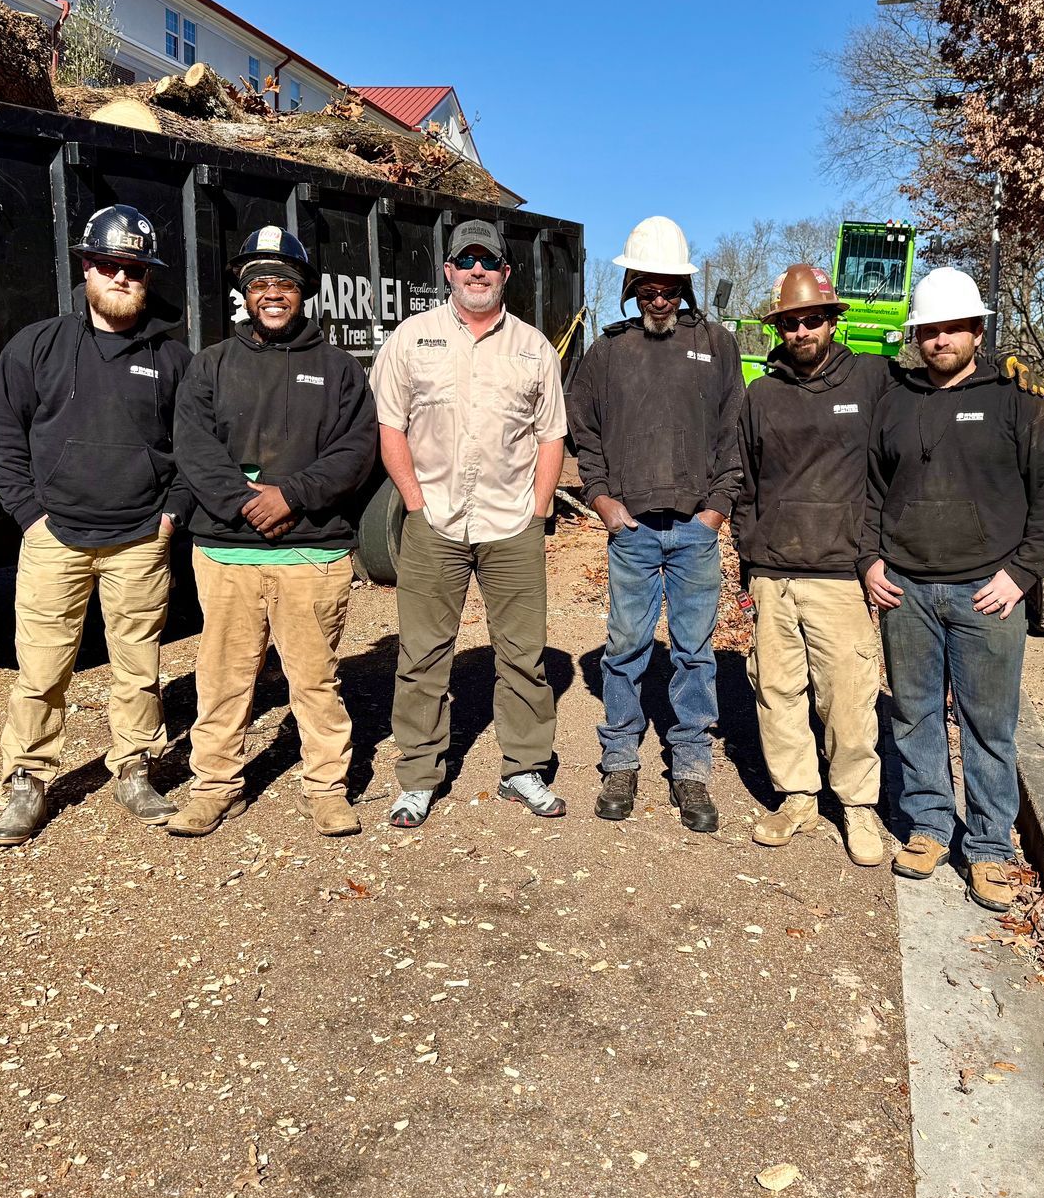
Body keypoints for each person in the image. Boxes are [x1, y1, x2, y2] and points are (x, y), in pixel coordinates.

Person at [859, 267, 1044, 909]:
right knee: (914, 714)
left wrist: (1021, 574)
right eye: (929, 330)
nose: (940, 339)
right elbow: (871, 490)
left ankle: (988, 848)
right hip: (906, 591)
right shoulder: (893, 404)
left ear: (978, 331)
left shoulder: (1020, 406)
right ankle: (928, 826)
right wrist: (871, 561)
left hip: (988, 594)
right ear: (916, 336)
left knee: (988, 725)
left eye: (953, 327)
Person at [0, 204, 193, 846]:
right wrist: (30, 516)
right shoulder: (38, 345)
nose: (121, 277)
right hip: (55, 539)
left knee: (137, 666)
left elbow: (196, 448)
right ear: (86, 267)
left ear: (147, 278)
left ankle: (133, 768)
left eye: (135, 268)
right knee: (42, 668)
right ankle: (28, 780)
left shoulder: (173, 359)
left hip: (139, 541)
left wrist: (170, 517)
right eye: (109, 265)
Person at [166, 226, 379, 838]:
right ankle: (214, 788)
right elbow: (194, 447)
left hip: (312, 552)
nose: (272, 294)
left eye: (283, 282)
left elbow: (355, 451)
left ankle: (327, 789)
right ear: (245, 293)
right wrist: (241, 501)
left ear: (302, 290)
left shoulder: (338, 369)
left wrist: (291, 496)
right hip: (227, 551)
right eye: (260, 283)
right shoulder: (211, 365)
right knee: (224, 675)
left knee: (313, 679)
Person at [371, 219, 568, 829]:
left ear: (506, 273)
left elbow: (551, 436)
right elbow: (390, 427)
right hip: (434, 520)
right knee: (423, 653)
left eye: (489, 261)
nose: (477, 271)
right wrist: (413, 503)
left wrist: (537, 513)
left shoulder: (533, 347)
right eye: (466, 261)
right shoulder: (411, 339)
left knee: (523, 653)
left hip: (512, 524)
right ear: (449, 271)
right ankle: (419, 775)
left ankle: (524, 769)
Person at [566, 216, 743, 832]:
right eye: (648, 288)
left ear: (685, 287)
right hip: (633, 533)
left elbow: (733, 436)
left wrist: (716, 510)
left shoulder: (718, 347)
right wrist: (605, 502)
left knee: (695, 653)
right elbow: (581, 429)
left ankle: (691, 767)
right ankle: (620, 759)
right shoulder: (608, 353)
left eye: (669, 288)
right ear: (632, 286)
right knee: (626, 648)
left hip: (695, 531)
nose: (659, 298)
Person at [733, 265, 893, 866]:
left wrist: (1006, 384)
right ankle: (798, 797)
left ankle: (858, 805)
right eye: (790, 322)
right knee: (776, 689)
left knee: (849, 694)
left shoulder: (875, 380)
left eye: (812, 319)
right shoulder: (762, 395)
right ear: (779, 327)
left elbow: (929, 409)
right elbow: (744, 479)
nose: (802, 330)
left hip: (841, 572)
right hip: (774, 570)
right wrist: (750, 555)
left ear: (832, 320)